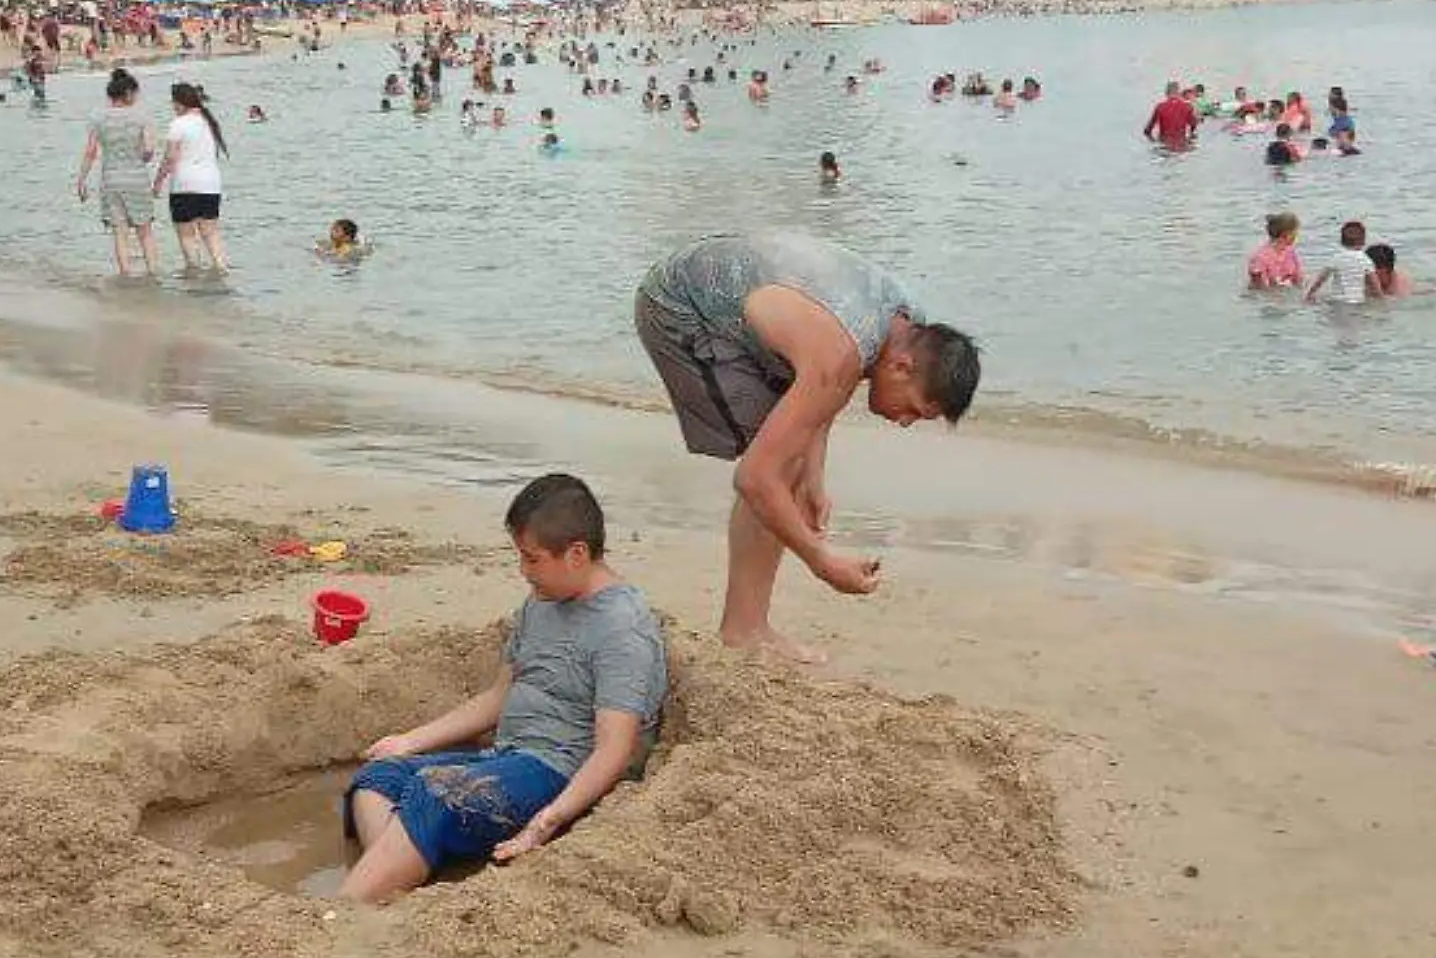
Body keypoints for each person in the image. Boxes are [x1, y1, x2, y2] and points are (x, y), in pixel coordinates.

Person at [634, 233, 980, 663]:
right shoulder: (840, 351)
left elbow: (824, 393)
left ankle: (748, 625)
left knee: (792, 466)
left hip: (749, 300)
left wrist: (815, 475)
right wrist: (822, 561)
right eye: (914, 410)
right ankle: (744, 629)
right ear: (902, 367)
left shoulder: (908, 328)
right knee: (774, 472)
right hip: (681, 307)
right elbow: (755, 478)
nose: (906, 422)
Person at [339, 474, 666, 904]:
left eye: (531, 559)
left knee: (436, 794)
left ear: (576, 554)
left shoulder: (622, 629)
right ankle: (409, 876)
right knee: (378, 779)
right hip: (506, 757)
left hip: (556, 771)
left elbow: (614, 750)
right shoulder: (541, 603)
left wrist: (548, 821)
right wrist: (408, 741)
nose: (523, 572)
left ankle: (341, 910)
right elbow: (498, 698)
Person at [76, 68, 160, 279]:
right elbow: (149, 150)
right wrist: (141, 156)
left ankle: (125, 275)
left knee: (120, 232)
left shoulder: (97, 117)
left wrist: (81, 180)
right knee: (145, 231)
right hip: (137, 179)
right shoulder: (142, 116)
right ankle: (152, 274)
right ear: (129, 94)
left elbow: (90, 151)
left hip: (111, 179)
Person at [151, 83, 229, 273]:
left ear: (180, 103)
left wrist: (158, 182)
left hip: (184, 185)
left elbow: (170, 158)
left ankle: (193, 271)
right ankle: (221, 269)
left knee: (187, 234)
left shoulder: (178, 124)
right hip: (211, 185)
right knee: (210, 232)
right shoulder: (209, 122)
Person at [1305, 220, 1371, 304]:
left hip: (1338, 301)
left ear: (1341, 241)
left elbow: (1321, 278)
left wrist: (1310, 294)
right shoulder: (1365, 260)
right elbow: (1373, 282)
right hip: (1358, 301)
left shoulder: (1336, 258)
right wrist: (1381, 298)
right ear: (1363, 241)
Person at [1246, 212, 1303, 289]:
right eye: (1295, 232)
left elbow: (1299, 280)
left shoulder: (1290, 252)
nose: (1297, 234)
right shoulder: (1259, 258)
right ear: (1286, 234)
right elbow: (1260, 288)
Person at [1142, 79, 1197, 147]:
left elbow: (1147, 131)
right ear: (1178, 93)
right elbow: (1194, 126)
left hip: (1164, 143)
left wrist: (1153, 141)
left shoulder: (1160, 107)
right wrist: (1190, 138)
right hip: (1181, 144)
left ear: (1166, 93)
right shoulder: (1187, 107)